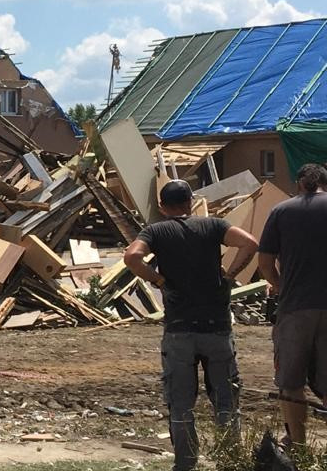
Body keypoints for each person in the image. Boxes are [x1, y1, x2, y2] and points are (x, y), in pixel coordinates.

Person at [123, 179, 258, 471]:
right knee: (225, 401)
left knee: (181, 404)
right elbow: (250, 243)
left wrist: (158, 280)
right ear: (191, 201)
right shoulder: (214, 226)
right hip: (217, 328)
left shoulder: (156, 231)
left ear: (162, 207)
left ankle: (185, 464)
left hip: (179, 330)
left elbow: (132, 257)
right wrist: (230, 276)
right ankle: (230, 460)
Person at [257, 163, 327, 448]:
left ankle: (297, 444)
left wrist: (281, 285)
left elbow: (264, 262)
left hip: (295, 307)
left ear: (299, 184)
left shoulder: (282, 211)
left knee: (291, 378)